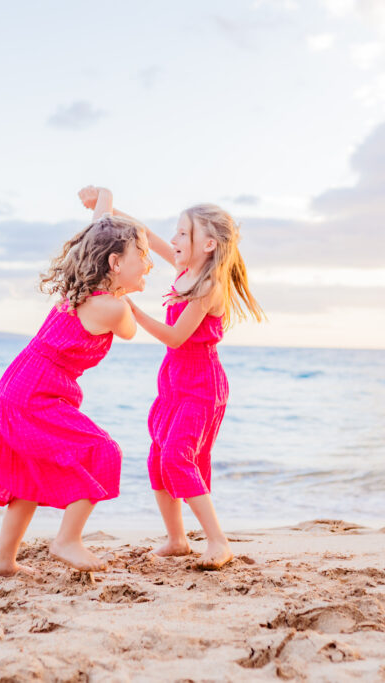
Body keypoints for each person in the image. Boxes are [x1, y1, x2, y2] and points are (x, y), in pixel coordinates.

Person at [79, 187, 264, 569]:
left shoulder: (208, 286)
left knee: (180, 457)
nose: (175, 240)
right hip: (173, 382)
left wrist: (130, 308)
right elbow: (142, 234)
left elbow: (176, 337)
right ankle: (177, 540)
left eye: (183, 233)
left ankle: (218, 542)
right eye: (176, 233)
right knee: (158, 458)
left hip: (202, 384)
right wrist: (107, 206)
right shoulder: (184, 268)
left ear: (208, 244)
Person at [0, 187, 152, 576]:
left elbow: (98, 230)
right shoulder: (112, 307)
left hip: (18, 386)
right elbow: (131, 331)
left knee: (27, 473)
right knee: (104, 451)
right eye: (144, 256)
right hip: (36, 395)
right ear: (116, 262)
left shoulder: (81, 287)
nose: (150, 264)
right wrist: (129, 298)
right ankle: (67, 539)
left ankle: (3, 562)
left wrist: (104, 197)